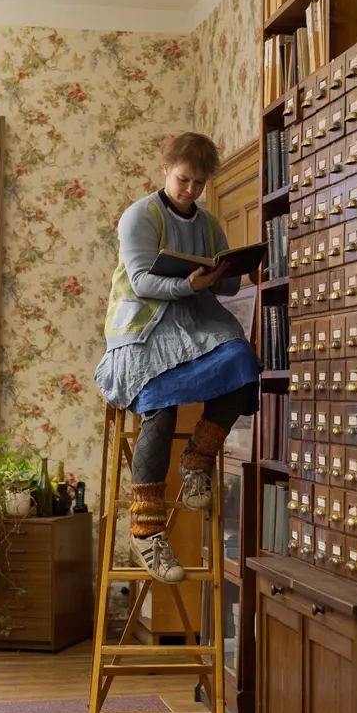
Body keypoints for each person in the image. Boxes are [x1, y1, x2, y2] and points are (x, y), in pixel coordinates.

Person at [94, 132, 259, 583]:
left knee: (243, 363)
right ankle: (147, 530)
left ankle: (196, 461)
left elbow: (224, 286)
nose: (190, 190)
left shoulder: (207, 222)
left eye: (199, 184)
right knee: (159, 399)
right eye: (184, 180)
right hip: (143, 328)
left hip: (196, 324)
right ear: (166, 168)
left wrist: (226, 273)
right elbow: (142, 281)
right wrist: (191, 284)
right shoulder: (139, 216)